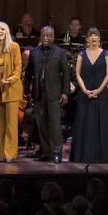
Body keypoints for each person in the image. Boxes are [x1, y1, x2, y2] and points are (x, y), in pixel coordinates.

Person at [24, 25, 70, 162]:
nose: (45, 38)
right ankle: (46, 151)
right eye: (43, 35)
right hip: (39, 94)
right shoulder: (34, 52)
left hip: (55, 94)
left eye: (48, 35)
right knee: (42, 124)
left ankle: (57, 152)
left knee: (55, 125)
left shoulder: (60, 52)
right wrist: (26, 90)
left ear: (53, 37)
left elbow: (66, 74)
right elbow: (28, 74)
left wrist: (65, 92)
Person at [70, 27, 108, 164]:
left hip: (101, 93)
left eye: (96, 35)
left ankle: (102, 156)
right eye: (91, 35)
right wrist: (85, 90)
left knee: (101, 124)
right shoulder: (82, 54)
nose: (93, 38)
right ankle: (83, 155)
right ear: (87, 39)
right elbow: (77, 74)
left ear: (99, 38)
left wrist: (99, 90)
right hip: (85, 93)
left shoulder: (106, 54)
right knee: (84, 123)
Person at [0, 21, 23, 162]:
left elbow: (18, 67)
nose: (0, 31)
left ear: (6, 32)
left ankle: (10, 153)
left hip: (11, 89)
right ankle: (2, 153)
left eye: (2, 29)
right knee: (1, 124)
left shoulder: (14, 46)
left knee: (11, 125)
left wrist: (10, 79)